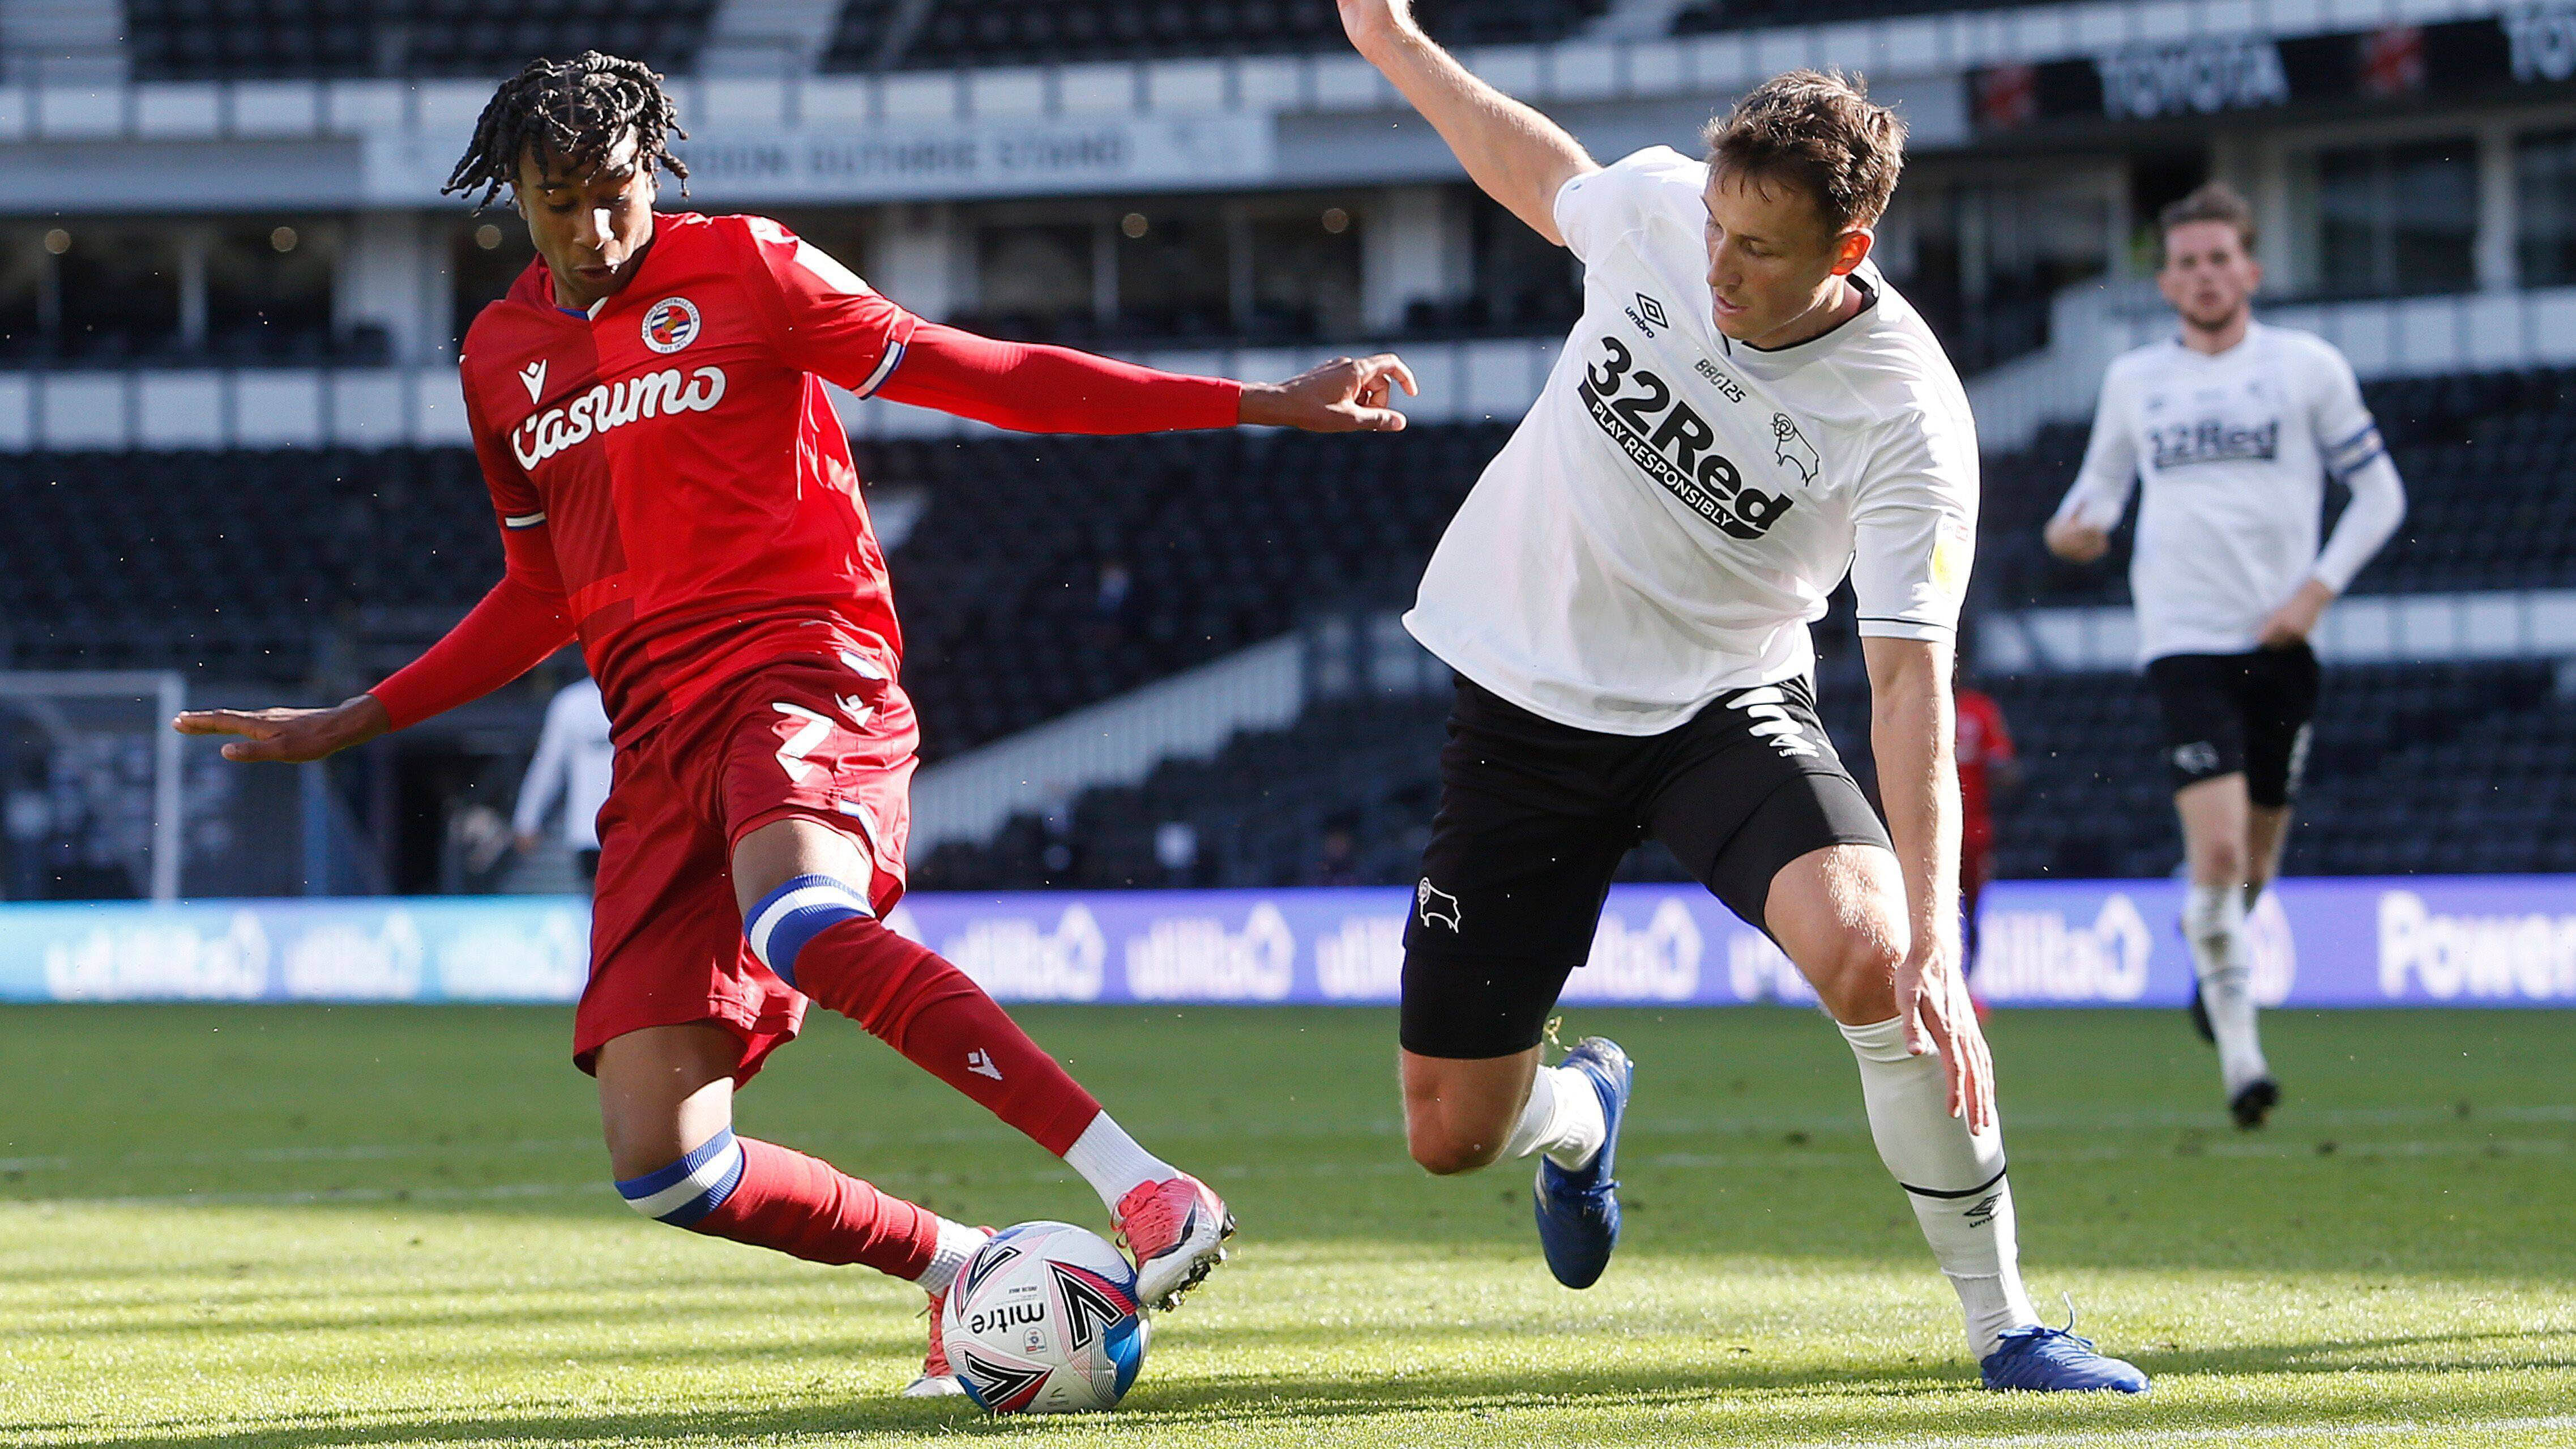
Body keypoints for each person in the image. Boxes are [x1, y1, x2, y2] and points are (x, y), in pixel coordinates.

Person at [173, 52, 1417, 1397]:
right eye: (558, 204)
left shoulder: (751, 269)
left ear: (654, 173)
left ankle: (1145, 1185)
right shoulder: (498, 357)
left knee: (799, 921)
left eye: (615, 195)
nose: (592, 231)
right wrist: (359, 715)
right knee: (666, 1162)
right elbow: (543, 587)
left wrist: (1255, 399)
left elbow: (982, 373)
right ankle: (966, 1269)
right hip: (655, 744)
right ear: (511, 199)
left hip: (799, 668)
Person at [1338, 0, 2146, 1395]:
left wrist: (1937, 942)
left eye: (1755, 248)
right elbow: (1528, 167)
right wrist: (1394, 45)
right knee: (1447, 1134)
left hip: (1721, 702)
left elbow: (1903, 687)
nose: (1715, 262)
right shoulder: (1661, 213)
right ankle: (1581, 1106)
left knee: (1873, 959)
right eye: (1713, 226)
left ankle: (2004, 1322)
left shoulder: (1906, 417)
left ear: (1848, 251)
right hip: (1525, 705)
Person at [2044, 181, 2404, 1130]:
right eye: (2185, 262)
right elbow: (2094, 498)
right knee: (2212, 849)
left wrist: (2311, 592)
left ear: (2248, 268)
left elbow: (2378, 496)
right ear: (2164, 281)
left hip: (2280, 641)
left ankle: (2211, 944)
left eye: (2218, 259)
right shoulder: (2134, 382)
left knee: (2250, 866)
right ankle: (2244, 1064)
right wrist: (2072, 532)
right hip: (2181, 641)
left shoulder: (2305, 368)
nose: (2202, 275)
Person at [514, 672, 614, 884]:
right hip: (599, 829)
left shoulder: (571, 701)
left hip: (594, 828)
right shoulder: (571, 702)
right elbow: (549, 765)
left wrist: (527, 820)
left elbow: (548, 766)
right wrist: (527, 819)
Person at [1954, 668, 2018, 978]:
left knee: (1972, 912)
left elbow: (2006, 770)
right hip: (1923, 830)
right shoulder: (1915, 704)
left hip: (1974, 829)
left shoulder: (1980, 710)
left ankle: (1968, 986)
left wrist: (1997, 767)